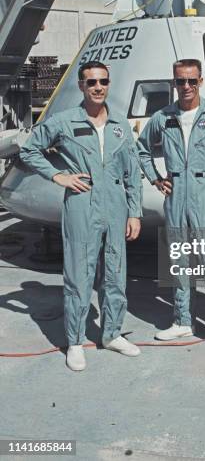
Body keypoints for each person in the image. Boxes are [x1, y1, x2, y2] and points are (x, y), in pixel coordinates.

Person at [20, 61, 142, 371]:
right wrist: (58, 175)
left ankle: (112, 333)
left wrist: (135, 213)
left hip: (115, 207)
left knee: (116, 272)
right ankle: (75, 341)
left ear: (109, 84)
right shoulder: (63, 122)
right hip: (82, 204)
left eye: (103, 81)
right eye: (91, 82)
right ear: (81, 85)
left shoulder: (120, 124)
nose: (98, 87)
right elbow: (29, 150)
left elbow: (132, 173)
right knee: (79, 275)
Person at [137, 58, 205, 361]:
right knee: (178, 263)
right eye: (179, 81)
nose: (185, 86)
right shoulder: (163, 117)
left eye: (191, 80)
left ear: (201, 81)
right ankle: (182, 321)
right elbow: (142, 148)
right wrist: (156, 178)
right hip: (175, 196)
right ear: (173, 83)